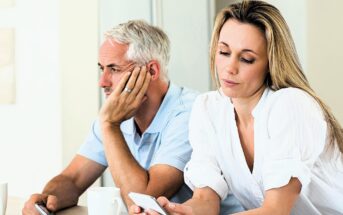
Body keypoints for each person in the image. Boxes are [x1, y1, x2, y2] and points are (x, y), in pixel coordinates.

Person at [131, 1, 343, 214]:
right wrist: (177, 211)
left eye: (246, 59)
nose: (230, 68)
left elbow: (275, 210)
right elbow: (205, 199)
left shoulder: (290, 105)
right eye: (224, 52)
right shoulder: (208, 109)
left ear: (270, 63)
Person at [22, 20, 201, 214]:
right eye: (102, 69)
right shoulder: (115, 114)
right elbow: (73, 179)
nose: (102, 82)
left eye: (114, 69)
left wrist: (110, 124)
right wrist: (45, 199)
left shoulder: (191, 113)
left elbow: (142, 203)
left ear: (151, 71)